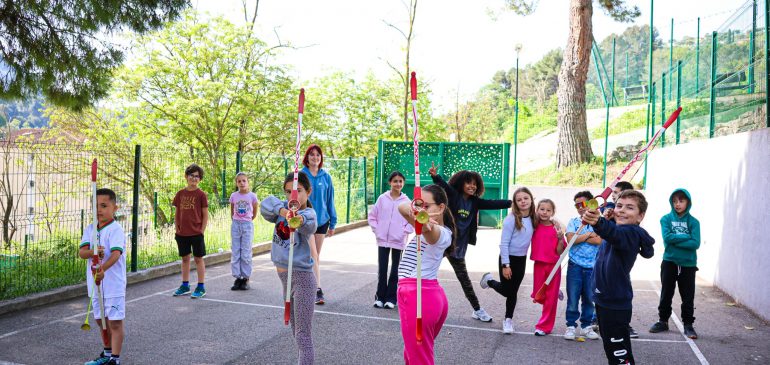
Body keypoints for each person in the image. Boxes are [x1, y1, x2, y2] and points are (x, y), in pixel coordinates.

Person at [428, 162, 511, 322]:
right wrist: (435, 176)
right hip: (443, 243)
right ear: (461, 183)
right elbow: (444, 186)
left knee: (465, 281)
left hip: (458, 248)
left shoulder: (475, 202)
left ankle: (477, 310)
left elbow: (493, 203)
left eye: (475, 184)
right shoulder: (454, 195)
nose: (472, 186)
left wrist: (512, 203)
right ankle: (409, 296)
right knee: (426, 271)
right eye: (468, 183)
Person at [583, 190, 655, 365]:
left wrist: (599, 222)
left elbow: (614, 234)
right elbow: (612, 233)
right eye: (619, 206)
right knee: (613, 349)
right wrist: (608, 220)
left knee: (619, 354)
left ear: (640, 216)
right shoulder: (620, 228)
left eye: (630, 207)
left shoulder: (631, 233)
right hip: (605, 299)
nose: (622, 210)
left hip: (614, 303)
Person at [260, 172, 318, 365]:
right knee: (296, 332)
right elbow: (266, 204)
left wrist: (296, 219)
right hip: (286, 280)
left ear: (308, 192)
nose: (293, 196)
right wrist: (284, 211)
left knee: (303, 335)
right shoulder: (283, 209)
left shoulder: (308, 213)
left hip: (303, 281)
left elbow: (307, 224)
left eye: (298, 191)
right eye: (288, 191)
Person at [396, 184, 456, 365]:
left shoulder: (442, 233)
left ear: (441, 208)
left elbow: (431, 232)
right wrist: (417, 212)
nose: (421, 209)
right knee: (413, 355)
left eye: (427, 206)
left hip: (419, 297)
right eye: (418, 204)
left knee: (419, 359)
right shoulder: (420, 220)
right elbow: (401, 207)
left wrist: (424, 223)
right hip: (424, 295)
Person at [79, 188, 126, 365]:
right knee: (101, 321)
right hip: (95, 284)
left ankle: (115, 359)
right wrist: (93, 251)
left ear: (115, 208)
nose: (99, 210)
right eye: (96, 206)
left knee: (114, 322)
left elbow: (116, 254)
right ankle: (106, 354)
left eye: (104, 206)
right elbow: (82, 253)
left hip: (113, 284)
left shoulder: (116, 229)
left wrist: (102, 268)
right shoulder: (90, 229)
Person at [479, 187, 535, 334]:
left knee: (513, 291)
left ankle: (508, 319)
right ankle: (489, 281)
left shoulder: (534, 218)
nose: (523, 201)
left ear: (531, 199)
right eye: (519, 199)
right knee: (507, 291)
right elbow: (503, 244)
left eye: (526, 198)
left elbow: (550, 218)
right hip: (508, 259)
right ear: (515, 203)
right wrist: (506, 265)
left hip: (521, 259)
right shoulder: (511, 219)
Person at [650, 188, 701, 339]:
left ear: (688, 202)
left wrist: (675, 239)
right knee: (666, 292)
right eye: (674, 201)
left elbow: (695, 243)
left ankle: (688, 324)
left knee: (688, 296)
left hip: (688, 264)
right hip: (669, 261)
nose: (677, 204)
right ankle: (663, 321)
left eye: (681, 201)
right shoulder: (665, 219)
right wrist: (686, 237)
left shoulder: (694, 222)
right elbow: (667, 238)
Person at [368, 171, 414, 309]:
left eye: (400, 181)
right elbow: (372, 216)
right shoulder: (382, 198)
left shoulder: (407, 201)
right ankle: (380, 297)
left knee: (395, 270)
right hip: (383, 240)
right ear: (390, 183)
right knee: (382, 270)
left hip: (398, 241)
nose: (398, 184)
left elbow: (412, 221)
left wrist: (403, 232)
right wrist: (377, 230)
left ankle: (391, 298)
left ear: (403, 183)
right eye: (395, 181)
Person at [301, 144, 337, 305]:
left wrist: (333, 223)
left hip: (322, 221)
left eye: (317, 155)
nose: (315, 157)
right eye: (312, 154)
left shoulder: (326, 177)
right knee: (312, 255)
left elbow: (330, 201)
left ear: (321, 158)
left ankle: (309, 286)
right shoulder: (301, 175)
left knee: (315, 256)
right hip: (306, 220)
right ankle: (317, 290)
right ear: (307, 158)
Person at [564, 190, 602, 341]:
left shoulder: (599, 222)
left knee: (589, 298)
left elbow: (599, 240)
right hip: (575, 266)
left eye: (583, 204)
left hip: (592, 267)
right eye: (577, 205)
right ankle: (571, 326)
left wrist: (579, 237)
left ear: (591, 203)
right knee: (573, 298)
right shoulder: (573, 221)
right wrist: (588, 235)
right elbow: (570, 240)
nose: (580, 207)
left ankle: (586, 326)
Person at [529, 199, 566, 336]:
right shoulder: (534, 225)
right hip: (539, 265)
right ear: (537, 210)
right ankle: (554, 292)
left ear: (553, 212)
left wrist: (560, 238)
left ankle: (544, 326)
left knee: (550, 299)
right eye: (542, 209)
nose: (545, 212)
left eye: (548, 210)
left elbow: (559, 251)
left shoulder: (556, 228)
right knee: (538, 296)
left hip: (553, 266)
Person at [172, 164, 209, 299]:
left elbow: (205, 214)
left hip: (196, 232)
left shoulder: (201, 195)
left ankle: (201, 286)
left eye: (197, 176)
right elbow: (177, 212)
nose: (194, 178)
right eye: (191, 175)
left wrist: (202, 230)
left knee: (198, 258)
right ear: (186, 176)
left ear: (200, 179)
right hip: (182, 233)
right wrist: (177, 227)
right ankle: (185, 285)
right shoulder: (180, 194)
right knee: (185, 258)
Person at [229, 172, 260, 290]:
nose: (242, 183)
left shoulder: (252, 196)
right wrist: (235, 220)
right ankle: (238, 278)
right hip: (236, 225)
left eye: (244, 181)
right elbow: (232, 210)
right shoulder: (234, 196)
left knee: (246, 252)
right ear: (236, 183)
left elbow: (254, 212)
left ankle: (245, 278)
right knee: (236, 251)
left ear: (248, 182)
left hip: (247, 225)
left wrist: (248, 220)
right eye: (239, 181)